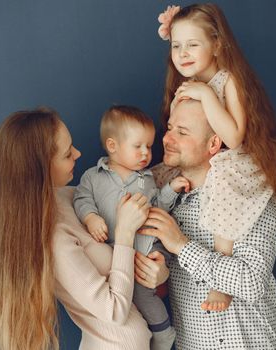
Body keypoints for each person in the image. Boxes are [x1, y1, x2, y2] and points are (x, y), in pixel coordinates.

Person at [0, 108, 169, 350]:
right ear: (42, 169)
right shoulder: (53, 237)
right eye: (68, 154)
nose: (78, 153)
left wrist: (160, 273)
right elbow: (114, 311)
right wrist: (124, 235)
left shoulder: (71, 197)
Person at [155, 3, 276, 311]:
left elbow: (233, 137)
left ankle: (222, 282)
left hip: (232, 161)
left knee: (222, 200)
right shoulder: (183, 86)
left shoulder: (225, 80)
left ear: (217, 44)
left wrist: (205, 95)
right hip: (210, 164)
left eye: (193, 44)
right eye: (177, 46)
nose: (183, 53)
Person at [140, 99, 276, 349]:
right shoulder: (167, 199)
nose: (167, 139)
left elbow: (251, 282)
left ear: (213, 143)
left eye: (182, 132)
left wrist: (181, 245)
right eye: (169, 128)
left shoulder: (251, 195)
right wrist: (160, 274)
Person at [73, 105, 188, 349]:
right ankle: (156, 332)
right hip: (120, 254)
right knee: (133, 297)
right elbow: (81, 200)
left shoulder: (147, 179)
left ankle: (163, 333)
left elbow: (158, 206)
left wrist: (170, 189)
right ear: (113, 146)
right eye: (138, 147)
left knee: (146, 292)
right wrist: (91, 218)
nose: (146, 153)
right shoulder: (93, 177)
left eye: (149, 146)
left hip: (148, 247)